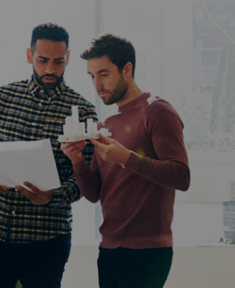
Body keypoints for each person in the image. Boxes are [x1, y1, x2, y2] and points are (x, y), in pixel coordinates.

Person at [0, 23, 97, 288]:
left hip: (47, 241)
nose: (50, 69)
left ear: (68, 58)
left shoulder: (83, 112)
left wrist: (52, 196)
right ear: (30, 56)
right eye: (43, 60)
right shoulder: (2, 98)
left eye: (59, 61)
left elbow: (85, 182)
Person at [62, 34, 190, 288]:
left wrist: (128, 159)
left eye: (104, 74)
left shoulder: (157, 111)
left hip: (147, 253)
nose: (97, 84)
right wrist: (77, 160)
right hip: (109, 250)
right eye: (91, 76)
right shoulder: (106, 124)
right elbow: (94, 194)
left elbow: (181, 176)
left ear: (127, 69)